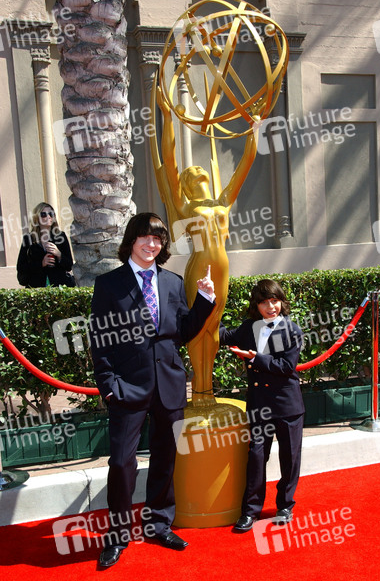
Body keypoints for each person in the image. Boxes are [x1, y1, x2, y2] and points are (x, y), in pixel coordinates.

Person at [90, 212, 215, 568]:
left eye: (158, 238)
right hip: (126, 388)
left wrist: (204, 299)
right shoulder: (109, 284)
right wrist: (108, 385)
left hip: (169, 386)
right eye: (145, 236)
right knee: (121, 463)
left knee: (165, 458)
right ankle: (117, 535)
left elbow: (183, 332)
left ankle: (159, 524)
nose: (151, 243)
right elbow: (100, 339)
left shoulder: (172, 282)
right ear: (131, 240)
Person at [151, 85, 258, 404]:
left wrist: (254, 128)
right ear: (185, 186)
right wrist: (167, 117)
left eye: (200, 170)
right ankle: (198, 392)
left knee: (213, 331)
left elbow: (245, 165)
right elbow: (170, 161)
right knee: (198, 328)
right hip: (199, 268)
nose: (198, 170)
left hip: (222, 269)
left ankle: (206, 391)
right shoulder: (185, 206)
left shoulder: (223, 201)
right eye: (191, 173)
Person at [219, 279, 304, 531]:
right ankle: (250, 511)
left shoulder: (292, 330)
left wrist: (256, 358)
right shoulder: (249, 327)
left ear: (281, 302)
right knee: (256, 457)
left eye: (275, 301)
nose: (271, 307)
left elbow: (286, 367)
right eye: (265, 302)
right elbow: (223, 336)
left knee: (290, 458)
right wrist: (211, 303)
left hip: (287, 405)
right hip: (259, 406)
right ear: (256, 305)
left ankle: (285, 506)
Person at [16, 202, 74, 287]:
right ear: (36, 217)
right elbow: (21, 267)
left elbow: (69, 265)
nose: (48, 216)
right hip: (36, 287)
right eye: (43, 214)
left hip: (59, 287)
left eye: (51, 214)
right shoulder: (29, 238)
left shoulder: (60, 237)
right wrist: (41, 263)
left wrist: (59, 254)